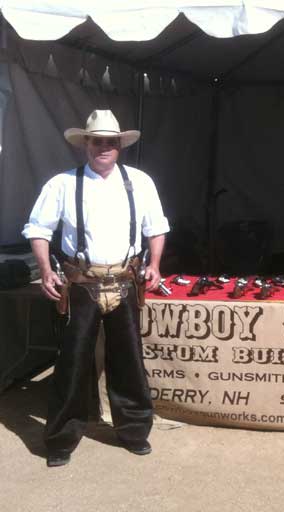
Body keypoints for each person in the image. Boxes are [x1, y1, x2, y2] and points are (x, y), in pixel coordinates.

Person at [22, 110, 170, 467]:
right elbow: (38, 229)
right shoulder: (63, 184)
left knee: (129, 360)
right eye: (96, 141)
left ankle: (134, 430)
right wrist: (45, 271)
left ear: (119, 146)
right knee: (72, 361)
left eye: (110, 142)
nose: (103, 147)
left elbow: (156, 227)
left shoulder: (139, 182)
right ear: (85, 144)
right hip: (81, 284)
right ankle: (60, 439)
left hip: (125, 281)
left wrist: (154, 264)